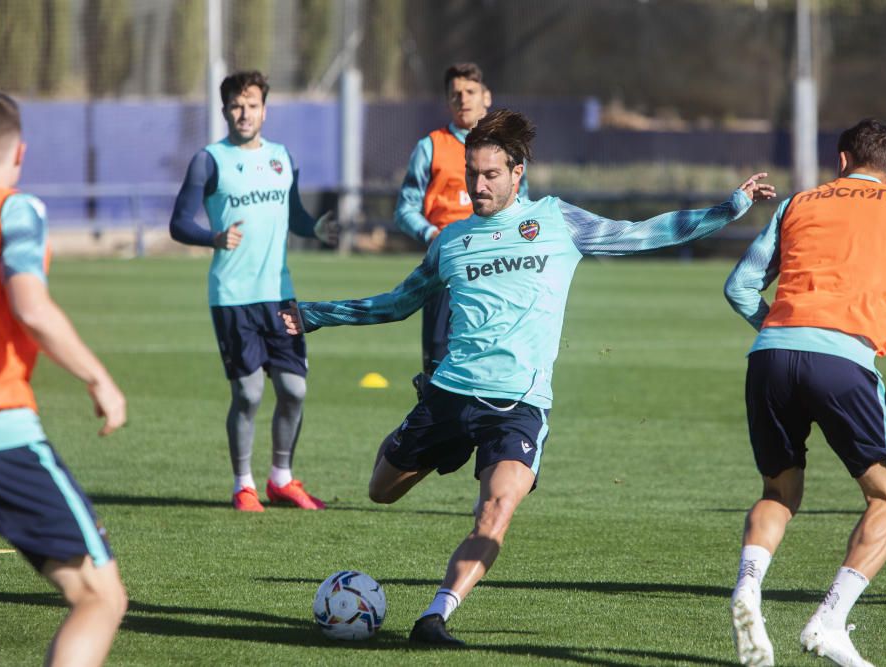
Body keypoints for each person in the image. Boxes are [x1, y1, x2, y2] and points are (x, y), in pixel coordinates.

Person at [282, 109, 775, 646]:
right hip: (449, 394)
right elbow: (398, 303)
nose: (478, 185)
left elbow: (642, 233)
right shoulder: (452, 240)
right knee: (380, 490)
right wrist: (316, 314)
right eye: (472, 173)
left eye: (490, 174)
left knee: (496, 509)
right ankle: (438, 440)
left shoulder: (558, 222)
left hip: (518, 403)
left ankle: (435, 616)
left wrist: (731, 208)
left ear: (518, 173)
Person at [724, 118, 886, 667]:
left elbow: (739, 286)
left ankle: (748, 589)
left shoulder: (799, 202)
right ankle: (828, 621)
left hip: (771, 354)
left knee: (779, 491)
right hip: (844, 357)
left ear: (842, 161)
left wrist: (783, 330)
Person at [0, 92, 128, 666]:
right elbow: (28, 306)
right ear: (19, 152)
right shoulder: (15, 209)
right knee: (100, 597)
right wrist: (98, 377)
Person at [169, 70, 338, 512]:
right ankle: (243, 484)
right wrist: (213, 237)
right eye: (236, 106)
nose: (244, 113)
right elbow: (179, 223)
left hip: (280, 296)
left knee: (294, 389)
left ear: (265, 109)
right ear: (225, 110)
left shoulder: (283, 158)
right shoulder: (209, 161)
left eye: (252, 105)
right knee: (248, 394)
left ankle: (281, 478)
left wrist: (319, 228)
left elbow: (296, 215)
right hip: (232, 296)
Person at [394, 62, 528, 392]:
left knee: (494, 365)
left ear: (486, 97)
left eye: (470, 92)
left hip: (496, 269)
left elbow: (522, 207)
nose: (463, 99)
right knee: (438, 373)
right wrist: (433, 235)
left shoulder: (505, 152)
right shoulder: (431, 147)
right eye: (455, 94)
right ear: (447, 102)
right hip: (446, 271)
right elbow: (405, 208)